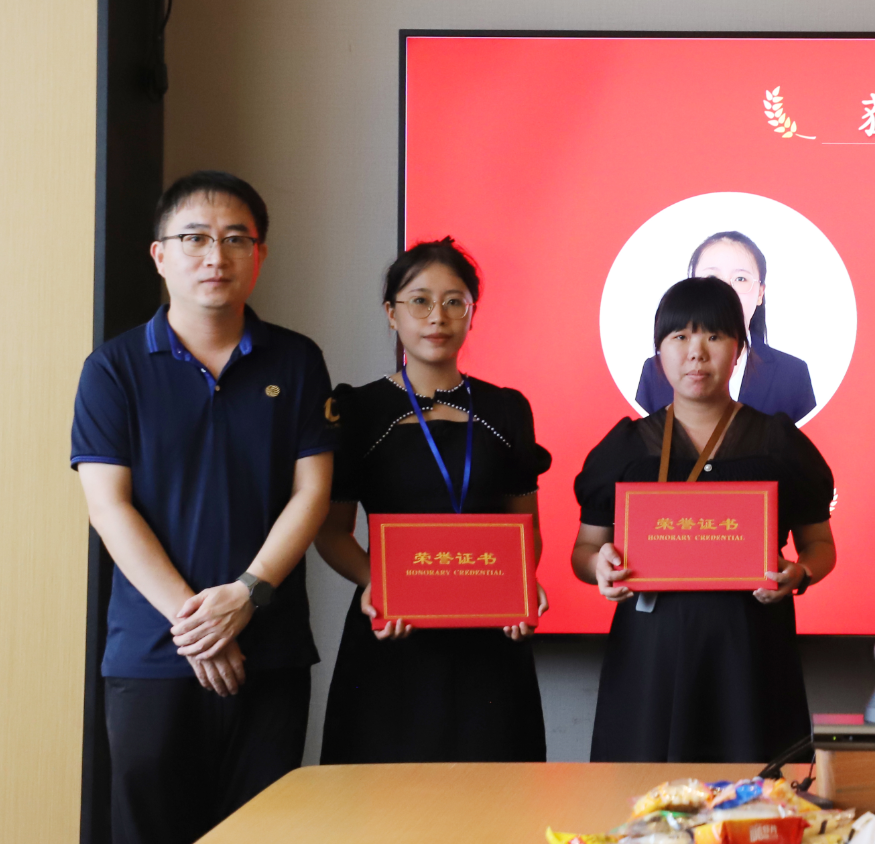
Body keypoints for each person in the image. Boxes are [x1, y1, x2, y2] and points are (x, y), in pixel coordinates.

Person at [71, 171, 335, 844]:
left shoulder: (298, 361)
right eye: (194, 239)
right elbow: (109, 507)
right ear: (160, 255)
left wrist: (247, 595)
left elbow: (312, 492)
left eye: (236, 239)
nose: (216, 256)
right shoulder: (113, 369)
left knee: (266, 834)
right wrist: (196, 625)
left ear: (260, 254)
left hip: (269, 649)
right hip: (153, 653)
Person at [574, 276, 837, 763]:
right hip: (650, 657)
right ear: (659, 353)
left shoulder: (778, 444)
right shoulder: (626, 449)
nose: (696, 353)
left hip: (750, 655)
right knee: (646, 791)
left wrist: (799, 573)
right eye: (680, 337)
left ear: (739, 350)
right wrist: (599, 568)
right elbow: (584, 551)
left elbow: (821, 546)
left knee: (755, 790)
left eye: (714, 336)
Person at [316, 237, 551, 764]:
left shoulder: (506, 409)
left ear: (472, 312)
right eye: (419, 301)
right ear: (391, 313)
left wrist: (517, 587)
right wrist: (380, 585)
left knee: (494, 792)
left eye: (454, 302)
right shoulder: (359, 411)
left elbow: (527, 528)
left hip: (489, 640)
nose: (437, 317)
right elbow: (331, 532)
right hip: (393, 635)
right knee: (383, 795)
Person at [635, 231, 816, 423]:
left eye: (740, 279)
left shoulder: (792, 374)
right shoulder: (655, 371)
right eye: (712, 277)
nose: (725, 290)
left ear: (760, 293)